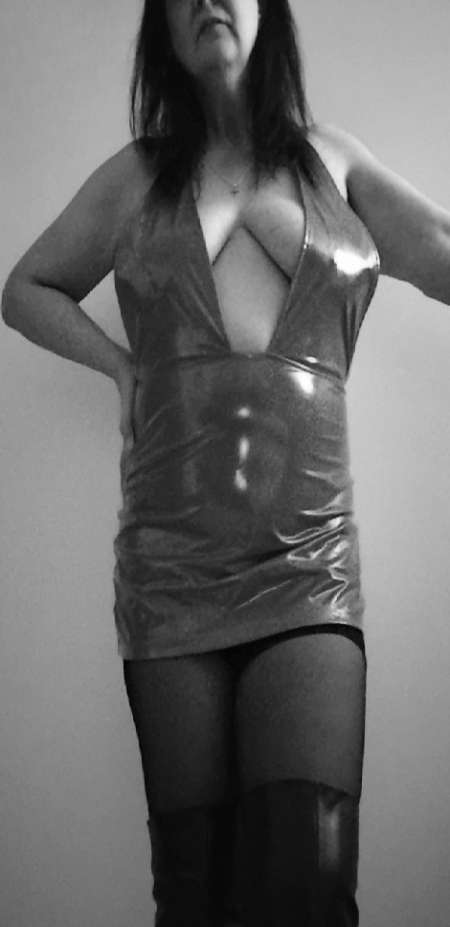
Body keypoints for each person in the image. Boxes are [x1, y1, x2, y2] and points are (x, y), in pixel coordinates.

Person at [2, 0, 450, 924]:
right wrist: (118, 365)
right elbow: (26, 288)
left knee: (308, 887)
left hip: (308, 569)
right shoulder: (136, 174)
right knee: (195, 893)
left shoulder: (332, 161)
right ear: (163, 33)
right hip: (170, 576)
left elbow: (442, 250)